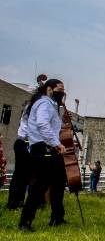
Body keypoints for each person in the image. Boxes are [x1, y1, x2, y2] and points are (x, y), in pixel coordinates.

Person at [18, 79, 68, 231]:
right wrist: (56, 143)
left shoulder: (50, 105)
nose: (63, 92)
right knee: (39, 186)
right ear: (49, 89)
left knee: (59, 183)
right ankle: (25, 222)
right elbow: (42, 124)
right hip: (43, 148)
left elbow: (50, 126)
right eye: (60, 89)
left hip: (50, 149)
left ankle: (57, 217)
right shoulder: (44, 104)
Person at [7, 101, 31, 209]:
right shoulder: (31, 108)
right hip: (22, 143)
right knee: (19, 175)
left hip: (27, 144)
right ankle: (13, 203)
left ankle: (20, 201)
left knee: (25, 176)